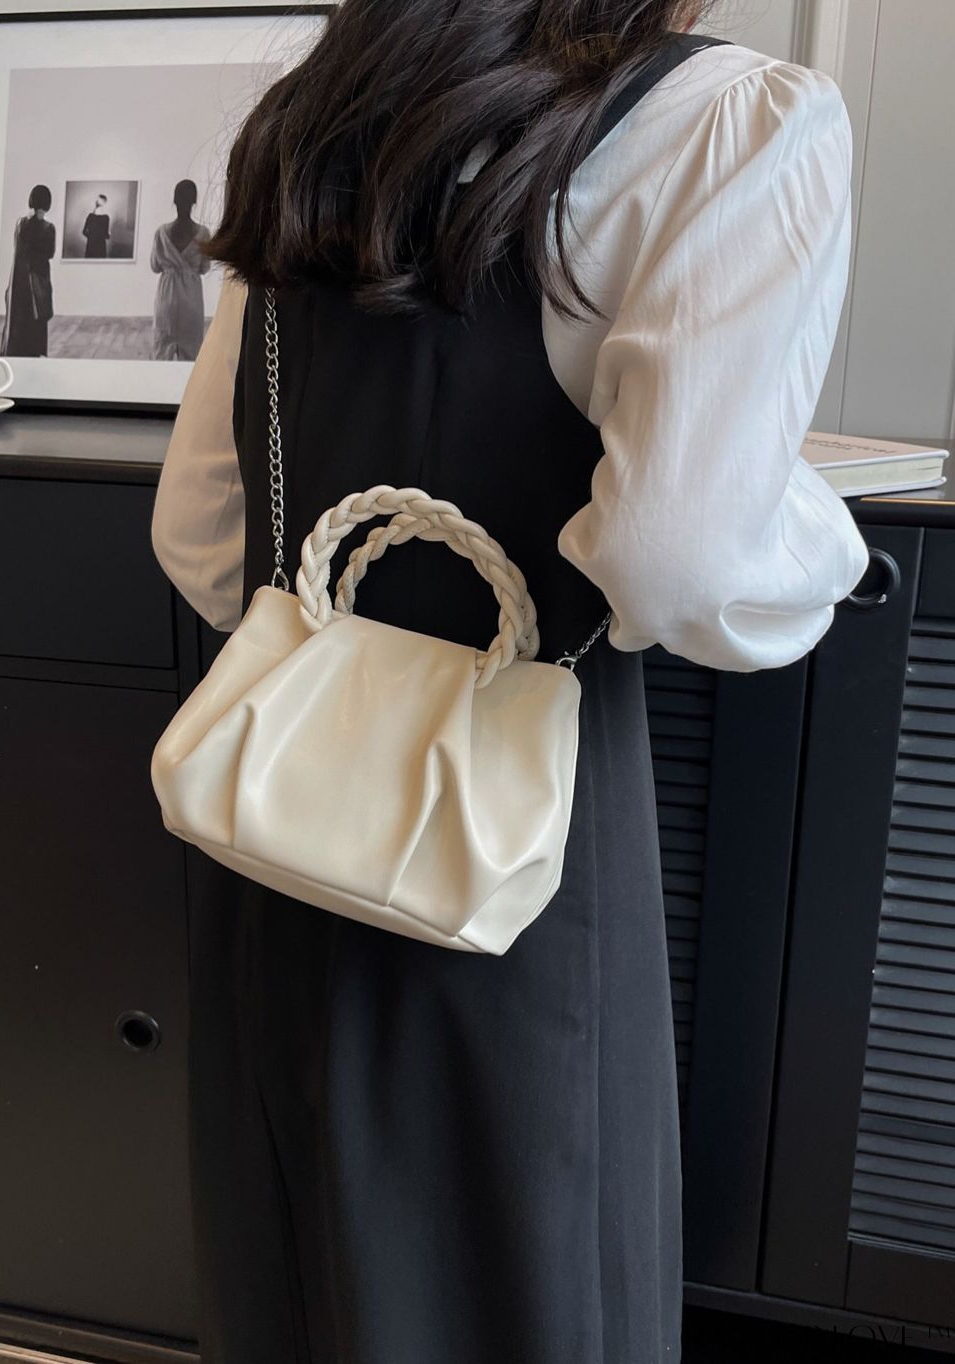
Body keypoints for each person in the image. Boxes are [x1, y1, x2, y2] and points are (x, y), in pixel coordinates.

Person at [151, 1, 870, 1360]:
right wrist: (826, 545)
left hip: (275, 821)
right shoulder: (727, 121)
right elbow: (680, 560)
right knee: (528, 1284)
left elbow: (201, 531)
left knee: (292, 1279)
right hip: (516, 855)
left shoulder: (318, 122)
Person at [149, 179, 211, 361]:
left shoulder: (161, 233)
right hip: (191, 298)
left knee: (162, 351)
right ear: (194, 202)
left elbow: (155, 266)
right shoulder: (203, 234)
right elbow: (204, 268)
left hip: (166, 297)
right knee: (192, 355)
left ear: (174, 201)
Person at [0, 184, 56, 358]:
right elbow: (50, 253)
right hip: (38, 282)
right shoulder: (49, 228)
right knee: (37, 321)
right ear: (47, 203)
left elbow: (19, 250)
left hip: (19, 282)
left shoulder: (20, 224)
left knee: (20, 323)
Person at [82, 193, 110, 258]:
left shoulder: (90, 216)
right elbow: (106, 236)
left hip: (91, 245)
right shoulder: (106, 218)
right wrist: (108, 234)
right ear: (104, 203)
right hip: (100, 247)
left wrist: (91, 236)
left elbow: (84, 232)